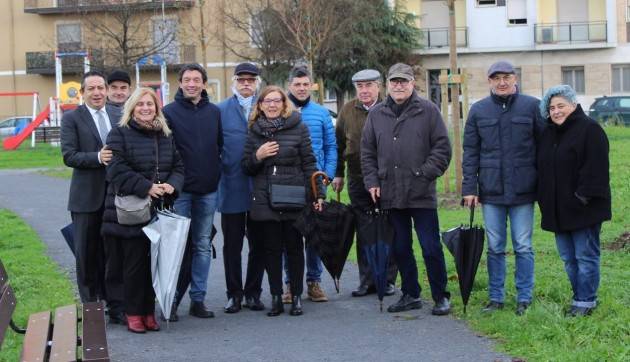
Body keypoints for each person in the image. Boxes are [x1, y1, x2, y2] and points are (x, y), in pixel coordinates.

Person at [361, 63, 452, 315]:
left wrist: (423, 174)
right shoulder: (376, 114)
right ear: (387, 85)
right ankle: (410, 293)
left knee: (430, 247)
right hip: (390, 192)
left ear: (413, 84)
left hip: (421, 193)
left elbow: (442, 149)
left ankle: (440, 295)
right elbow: (367, 152)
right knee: (400, 248)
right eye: (394, 82)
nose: (399, 86)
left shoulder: (429, 111)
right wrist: (372, 182)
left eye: (404, 81)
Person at [462, 60, 544, 315]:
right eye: (496, 78)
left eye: (507, 77)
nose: (502, 82)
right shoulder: (479, 110)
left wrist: (544, 185)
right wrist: (469, 188)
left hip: (523, 189)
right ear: (489, 81)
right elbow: (470, 152)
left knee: (523, 246)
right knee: (495, 246)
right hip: (491, 189)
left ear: (515, 78)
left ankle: (524, 298)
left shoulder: (532, 107)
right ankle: (495, 298)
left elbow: (544, 148)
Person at [101, 87, 184, 333]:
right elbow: (116, 170)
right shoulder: (119, 133)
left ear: (157, 108)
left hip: (159, 210)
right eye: (141, 104)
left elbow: (179, 165)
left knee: (154, 263)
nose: (146, 108)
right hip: (130, 211)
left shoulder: (166, 134)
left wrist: (173, 185)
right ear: (132, 108)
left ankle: (149, 311)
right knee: (133, 265)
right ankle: (133, 312)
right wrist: (147, 187)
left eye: (150, 104)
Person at [241, 86, 324, 317]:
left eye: (277, 100)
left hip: (293, 197)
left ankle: (296, 297)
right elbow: (245, 166)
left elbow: (309, 162)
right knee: (271, 250)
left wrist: (319, 194)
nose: (272, 105)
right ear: (260, 105)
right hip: (265, 199)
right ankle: (276, 297)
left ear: (284, 103)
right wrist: (258, 156)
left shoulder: (298, 127)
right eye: (267, 101)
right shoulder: (254, 131)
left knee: (295, 248)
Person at [537, 85, 611, 317]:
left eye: (561, 106)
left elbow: (597, 168)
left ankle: (586, 301)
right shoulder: (548, 133)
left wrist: (582, 198)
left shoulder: (590, 129)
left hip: (583, 209)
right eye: (552, 108)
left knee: (585, 256)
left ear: (573, 105)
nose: (556, 111)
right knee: (569, 259)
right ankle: (579, 297)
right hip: (558, 210)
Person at [163, 63, 223, 320]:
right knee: (175, 248)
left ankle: (197, 299)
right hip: (180, 192)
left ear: (203, 83)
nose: (191, 84)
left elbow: (218, 146)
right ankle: (172, 299)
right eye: (187, 79)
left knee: (201, 246)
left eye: (196, 80)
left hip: (207, 191)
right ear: (180, 83)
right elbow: (165, 152)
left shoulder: (214, 113)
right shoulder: (168, 113)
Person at [331, 69, 397, 297]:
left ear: (379, 87)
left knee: (387, 230)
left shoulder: (389, 108)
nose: (365, 90)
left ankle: (387, 279)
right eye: (360, 86)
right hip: (358, 179)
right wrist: (338, 173)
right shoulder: (348, 110)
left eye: (369, 85)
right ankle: (367, 280)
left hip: (387, 178)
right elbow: (338, 144)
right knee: (364, 230)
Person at [60, 71, 120, 305]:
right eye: (91, 89)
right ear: (83, 92)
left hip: (116, 195)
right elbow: (69, 155)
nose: (97, 93)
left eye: (100, 88)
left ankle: (114, 303)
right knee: (86, 253)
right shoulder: (72, 118)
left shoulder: (118, 114)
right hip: (86, 197)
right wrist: (97, 157)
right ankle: (90, 304)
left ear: (106, 90)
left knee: (112, 251)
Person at [283, 65, 337, 304]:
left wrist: (328, 175)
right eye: (297, 84)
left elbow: (330, 147)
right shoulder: (281, 112)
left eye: (306, 84)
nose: (302, 88)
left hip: (316, 183)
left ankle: (314, 282)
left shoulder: (322, 113)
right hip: (288, 183)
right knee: (290, 236)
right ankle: (289, 283)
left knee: (315, 235)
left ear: (312, 86)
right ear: (289, 86)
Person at [217, 63, 265, 313]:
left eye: (251, 80)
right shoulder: (221, 110)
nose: (246, 84)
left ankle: (253, 292)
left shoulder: (266, 107)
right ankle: (234, 293)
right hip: (232, 185)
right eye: (242, 80)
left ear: (257, 82)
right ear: (234, 81)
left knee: (259, 244)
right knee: (232, 245)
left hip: (259, 188)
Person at [102, 68, 132, 325]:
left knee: (133, 252)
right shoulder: (106, 115)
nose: (119, 92)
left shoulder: (136, 112)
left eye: (124, 88)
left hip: (135, 194)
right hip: (110, 192)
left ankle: (131, 301)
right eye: (115, 88)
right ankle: (113, 304)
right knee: (112, 253)